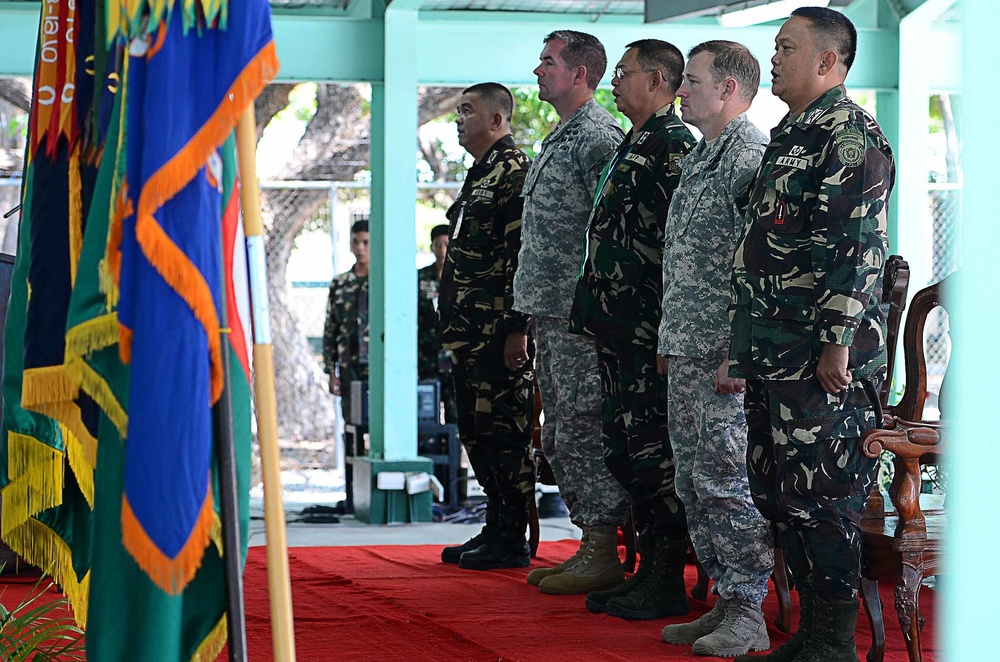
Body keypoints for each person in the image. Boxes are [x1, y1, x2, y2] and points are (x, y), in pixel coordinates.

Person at [728, 8, 895, 662]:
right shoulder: (792, 131)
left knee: (824, 495)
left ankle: (833, 642)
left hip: (818, 355)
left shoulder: (849, 135)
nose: (773, 58)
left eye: (786, 47)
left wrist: (836, 340)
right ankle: (811, 637)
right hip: (775, 346)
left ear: (828, 61)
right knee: (781, 492)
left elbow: (858, 245)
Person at [568, 39, 696, 620]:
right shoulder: (634, 144)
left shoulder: (673, 146)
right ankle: (643, 567)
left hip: (647, 332)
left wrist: (666, 330)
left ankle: (666, 576)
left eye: (624, 74)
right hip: (616, 329)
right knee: (624, 450)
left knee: (653, 454)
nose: (614, 82)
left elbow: (679, 250)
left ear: (659, 81)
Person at [655, 41, 773, 657]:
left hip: (723, 355)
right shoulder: (704, 157)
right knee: (696, 479)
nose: (681, 90)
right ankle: (726, 599)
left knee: (727, 480)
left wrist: (738, 350)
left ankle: (749, 609)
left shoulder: (749, 157)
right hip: (689, 347)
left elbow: (758, 266)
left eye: (692, 81)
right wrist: (671, 340)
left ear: (728, 89)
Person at [514, 29, 632, 596]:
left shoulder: (598, 137)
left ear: (579, 73)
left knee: (582, 427)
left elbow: (610, 230)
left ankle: (603, 548)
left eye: (547, 61)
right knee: (559, 431)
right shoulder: (560, 136)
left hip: (580, 316)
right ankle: (590, 542)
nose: (538, 70)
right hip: (550, 311)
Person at [437, 82, 536, 571]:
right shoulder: (481, 174)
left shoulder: (514, 173)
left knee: (505, 433)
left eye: (468, 111)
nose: (458, 118)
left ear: (497, 120)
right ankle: (496, 524)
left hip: (497, 334)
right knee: (477, 433)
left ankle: (513, 534)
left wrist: (517, 328)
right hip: (468, 333)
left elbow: (523, 257)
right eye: (457, 110)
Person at [323, 220, 370, 426]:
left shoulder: (384, 280)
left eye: (366, 242)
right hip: (348, 364)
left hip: (377, 364)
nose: (360, 248)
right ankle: (350, 459)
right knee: (352, 422)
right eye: (356, 242)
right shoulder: (340, 283)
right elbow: (330, 328)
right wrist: (332, 372)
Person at [417, 224, 457, 423]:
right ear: (431, 247)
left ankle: (453, 452)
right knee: (427, 411)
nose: (442, 250)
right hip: (427, 355)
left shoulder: (461, 277)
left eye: (446, 245)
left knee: (455, 413)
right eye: (437, 245)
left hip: (453, 357)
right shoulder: (420, 278)